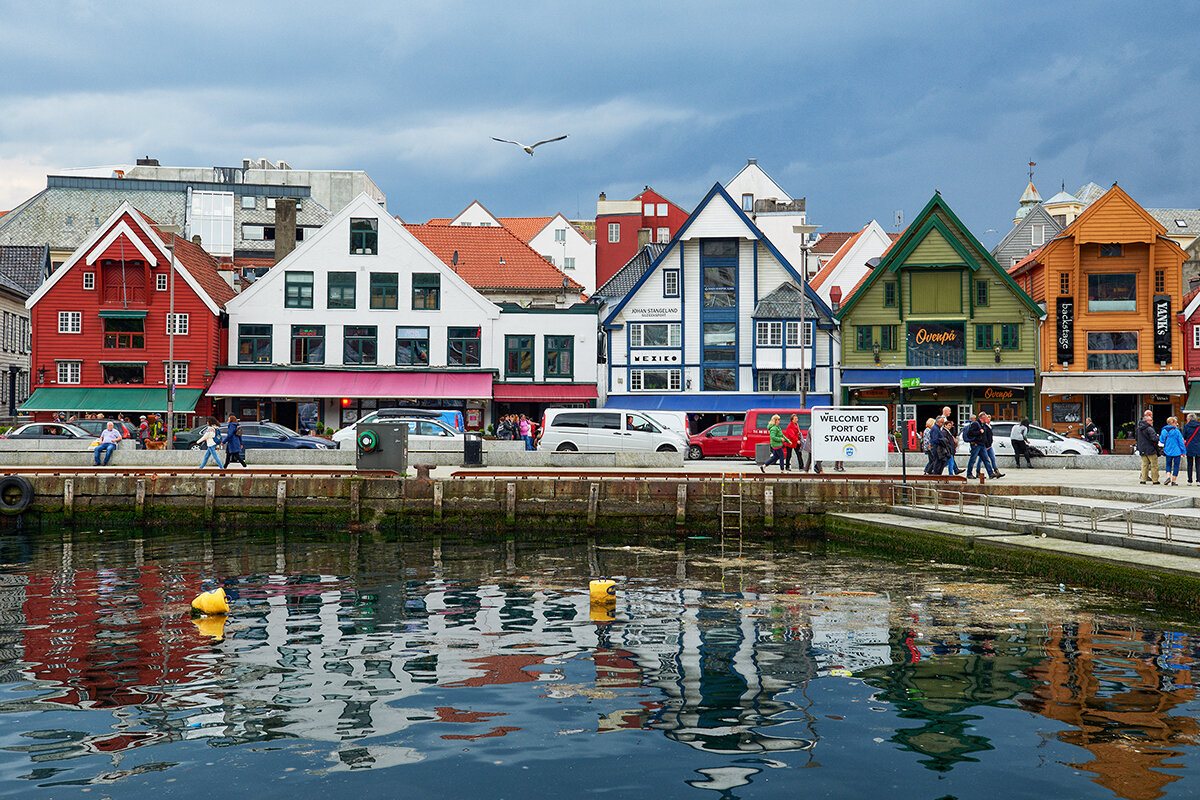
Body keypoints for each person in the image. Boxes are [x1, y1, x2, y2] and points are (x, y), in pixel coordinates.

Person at [1135, 409, 1160, 484]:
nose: (1152, 422)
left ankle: (1143, 480)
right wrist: (1158, 437)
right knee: (1154, 465)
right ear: (1147, 421)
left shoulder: (1138, 429)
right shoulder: (1149, 429)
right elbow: (1154, 439)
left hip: (1142, 449)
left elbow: (1136, 438)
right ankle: (1155, 480)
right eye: (1151, 420)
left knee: (1144, 465)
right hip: (1151, 449)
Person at [1159, 416, 1185, 486]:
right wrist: (1183, 451)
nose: (1176, 424)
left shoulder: (1164, 431)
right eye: (1176, 423)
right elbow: (1181, 442)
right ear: (1172, 423)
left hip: (1168, 450)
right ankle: (1173, 481)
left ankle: (1168, 477)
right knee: (1176, 466)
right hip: (1177, 451)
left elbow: (1161, 440)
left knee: (1168, 465)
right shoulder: (1176, 431)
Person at [1183, 413, 1200, 485]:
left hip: (1189, 446)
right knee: (1198, 464)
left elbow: (1184, 436)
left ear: (1189, 419)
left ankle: (1190, 480)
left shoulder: (1187, 426)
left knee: (1189, 464)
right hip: (1198, 446)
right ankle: (1198, 480)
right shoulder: (1199, 426)